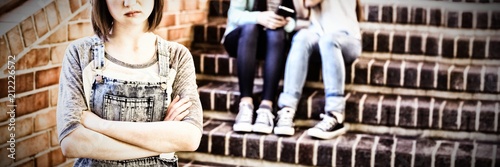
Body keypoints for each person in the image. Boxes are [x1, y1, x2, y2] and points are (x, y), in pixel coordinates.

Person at [56, 0, 202, 166]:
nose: (129, 2)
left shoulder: (176, 57)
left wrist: (100, 125)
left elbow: (190, 137)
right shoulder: (81, 54)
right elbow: (72, 143)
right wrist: (162, 145)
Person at [273, 0, 362, 139]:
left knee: (328, 40)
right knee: (301, 37)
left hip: (346, 38)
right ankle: (287, 109)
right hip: (318, 35)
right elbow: (303, 12)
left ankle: (336, 114)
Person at [222, 0, 300, 134]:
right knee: (250, 28)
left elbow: (294, 20)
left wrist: (285, 23)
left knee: (277, 32)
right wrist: (259, 17)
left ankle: (266, 107)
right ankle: (245, 104)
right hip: (241, 38)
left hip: (269, 40)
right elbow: (233, 14)